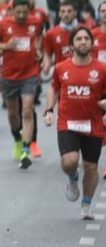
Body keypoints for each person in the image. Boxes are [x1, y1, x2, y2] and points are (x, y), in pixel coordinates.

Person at [43, 26, 106, 220]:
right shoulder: (62, 68)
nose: (83, 42)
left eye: (86, 38)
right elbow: (53, 89)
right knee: (70, 162)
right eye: (78, 39)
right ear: (71, 45)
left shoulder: (101, 69)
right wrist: (49, 110)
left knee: (90, 167)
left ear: (92, 43)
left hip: (93, 124)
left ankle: (86, 204)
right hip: (67, 122)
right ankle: (72, 179)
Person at [0, 0, 43, 169]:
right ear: (11, 11)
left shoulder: (35, 22)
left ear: (29, 11)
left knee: (27, 109)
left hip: (30, 73)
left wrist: (39, 50)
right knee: (13, 114)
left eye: (24, 12)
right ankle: (18, 140)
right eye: (18, 12)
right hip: (9, 75)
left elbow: (38, 37)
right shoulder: (2, 25)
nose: (21, 15)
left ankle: (26, 150)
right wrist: (6, 45)